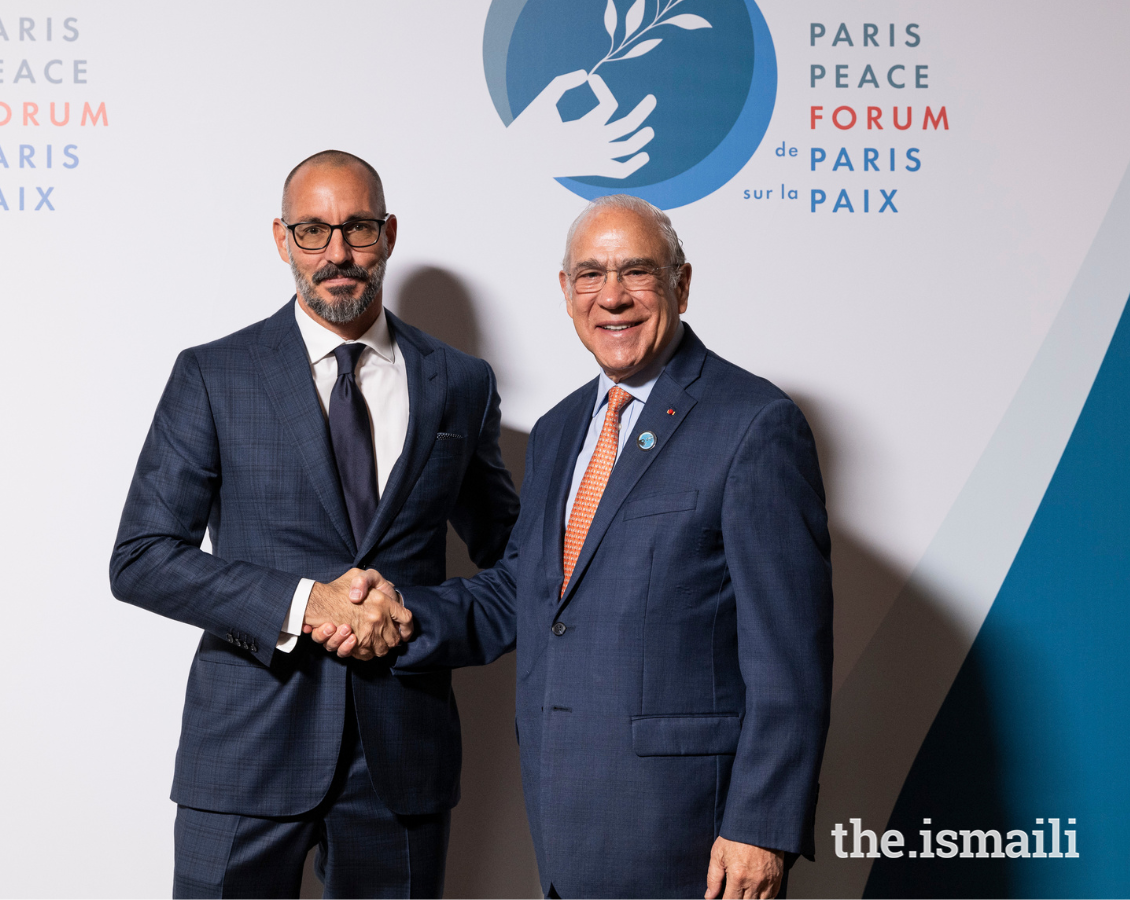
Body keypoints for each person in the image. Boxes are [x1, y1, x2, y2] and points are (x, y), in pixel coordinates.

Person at [317, 194, 833, 898]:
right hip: (566, 820)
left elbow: (790, 658)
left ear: (681, 284)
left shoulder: (755, 425)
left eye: (637, 272)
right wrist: (396, 614)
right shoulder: (562, 429)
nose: (612, 297)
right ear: (565, 292)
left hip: (693, 834)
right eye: (590, 274)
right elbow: (525, 591)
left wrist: (763, 827)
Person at [110, 149, 519, 899]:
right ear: (281, 239)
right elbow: (141, 557)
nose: (337, 253)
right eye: (312, 231)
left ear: (389, 233)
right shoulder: (214, 375)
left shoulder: (460, 383)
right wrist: (306, 604)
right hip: (246, 744)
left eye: (358, 228)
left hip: (402, 754)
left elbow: (518, 566)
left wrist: (413, 619)